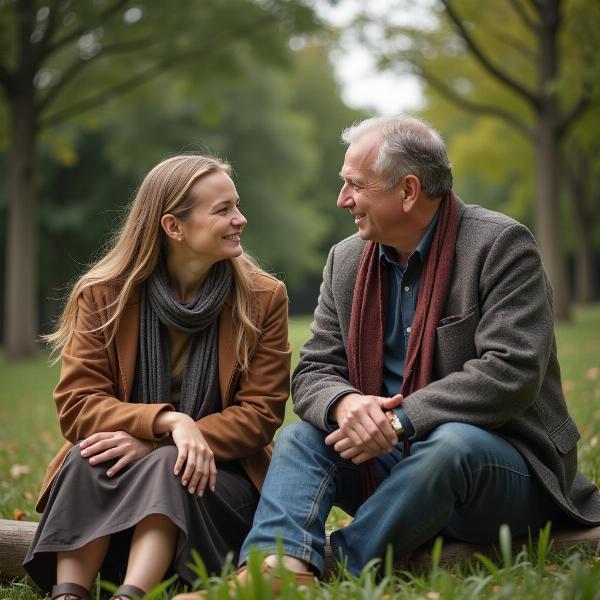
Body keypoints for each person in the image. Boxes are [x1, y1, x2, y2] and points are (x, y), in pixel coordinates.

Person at [196, 115, 600, 591]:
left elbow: (510, 372)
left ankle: (326, 564)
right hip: (389, 463)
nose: (343, 199)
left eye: (354, 186)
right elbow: (313, 371)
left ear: (408, 191)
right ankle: (273, 569)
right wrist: (346, 406)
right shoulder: (346, 260)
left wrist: (397, 421)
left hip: (502, 471)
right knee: (302, 439)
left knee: (451, 443)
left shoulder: (501, 246)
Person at [23, 155, 291, 599]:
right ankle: (69, 592)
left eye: (236, 206)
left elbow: (260, 416)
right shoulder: (104, 294)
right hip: (116, 485)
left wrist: (160, 442)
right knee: (89, 455)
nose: (239, 219)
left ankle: (133, 593)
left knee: (168, 463)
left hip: (215, 486)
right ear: (173, 227)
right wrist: (170, 422)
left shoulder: (263, 297)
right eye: (222, 210)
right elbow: (78, 406)